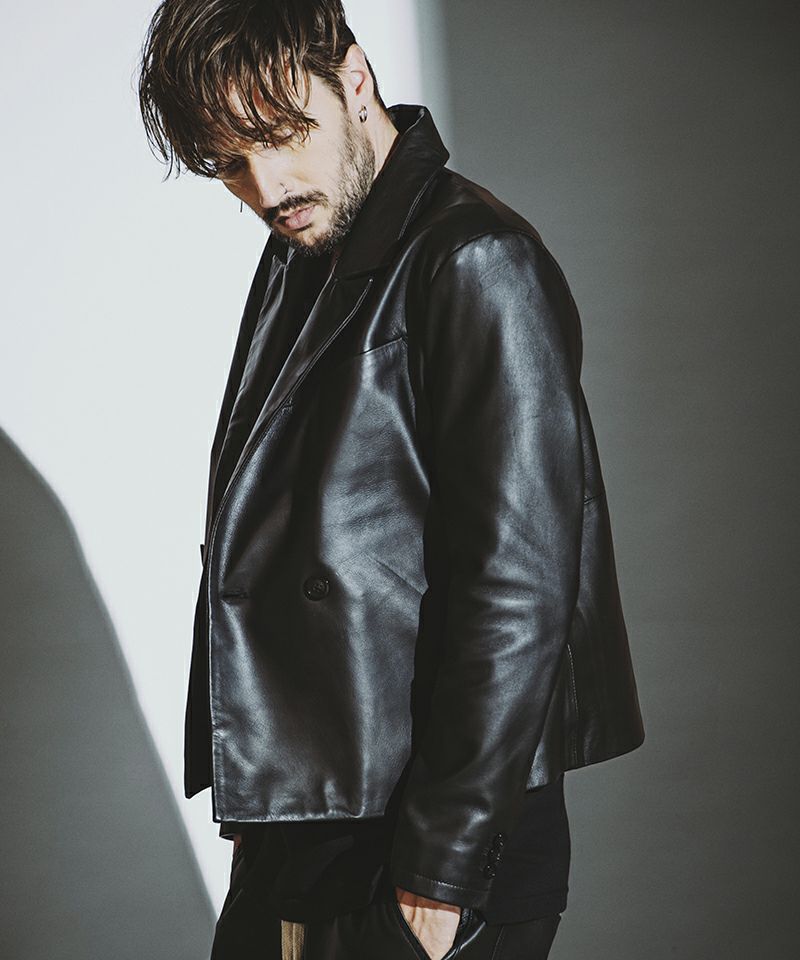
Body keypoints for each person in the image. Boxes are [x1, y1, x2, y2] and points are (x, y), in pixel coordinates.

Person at [137, 2, 646, 958]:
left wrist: (437, 886)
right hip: (313, 825)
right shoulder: (308, 249)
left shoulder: (476, 260)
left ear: (356, 78)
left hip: (427, 851)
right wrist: (262, 809)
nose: (265, 187)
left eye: (280, 134)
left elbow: (518, 587)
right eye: (229, 163)